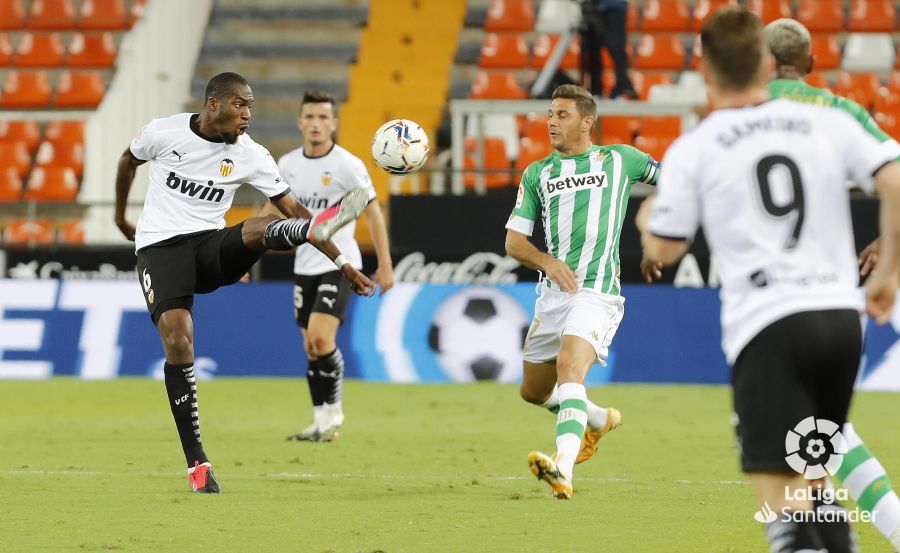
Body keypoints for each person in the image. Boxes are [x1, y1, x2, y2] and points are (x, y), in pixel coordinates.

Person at [638, 8, 900, 552]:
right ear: (766, 63)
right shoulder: (828, 118)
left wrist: (645, 221)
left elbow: (666, 246)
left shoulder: (700, 144)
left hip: (769, 326)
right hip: (839, 321)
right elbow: (894, 175)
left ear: (705, 71)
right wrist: (889, 269)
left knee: (782, 509)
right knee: (817, 469)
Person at [114, 72, 376, 493]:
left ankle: (308, 236)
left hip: (210, 247)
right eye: (241, 105)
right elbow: (128, 161)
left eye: (251, 107)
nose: (248, 115)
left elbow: (293, 206)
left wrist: (342, 261)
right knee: (179, 339)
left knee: (264, 224)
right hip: (160, 249)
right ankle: (197, 464)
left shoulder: (251, 154)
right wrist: (119, 215)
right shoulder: (164, 133)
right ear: (214, 104)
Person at [763, 18, 900, 550]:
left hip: (771, 300)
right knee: (819, 429)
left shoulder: (737, 114)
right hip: (838, 298)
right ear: (813, 64)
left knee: (795, 432)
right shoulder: (841, 112)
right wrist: (888, 255)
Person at [504, 83, 660, 499]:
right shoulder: (537, 173)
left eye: (562, 115)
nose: (551, 121)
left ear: (587, 122)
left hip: (597, 292)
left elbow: (676, 184)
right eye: (550, 114)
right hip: (553, 296)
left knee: (570, 371)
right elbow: (514, 243)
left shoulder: (620, 159)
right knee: (533, 392)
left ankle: (563, 468)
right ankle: (596, 419)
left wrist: (656, 236)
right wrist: (547, 262)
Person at [279, 90, 394, 442]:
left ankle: (336, 411)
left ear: (334, 123)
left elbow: (371, 210)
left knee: (320, 337)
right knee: (310, 347)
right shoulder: (286, 166)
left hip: (341, 263)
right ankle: (319, 421)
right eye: (310, 117)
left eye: (323, 117)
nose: (316, 124)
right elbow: (271, 213)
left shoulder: (347, 165)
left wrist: (385, 263)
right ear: (300, 122)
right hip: (305, 264)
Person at [581, 0, 638, 99]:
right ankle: (596, 91)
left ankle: (621, 89)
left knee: (616, 51)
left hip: (613, 7)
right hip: (593, 8)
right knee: (593, 53)